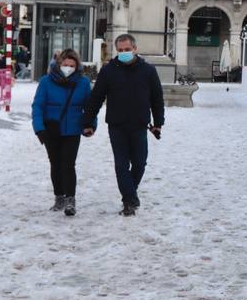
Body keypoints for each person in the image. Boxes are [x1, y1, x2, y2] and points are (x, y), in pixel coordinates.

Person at [83, 34, 164, 216]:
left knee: (140, 164)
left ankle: (129, 194)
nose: (124, 53)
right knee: (121, 165)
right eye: (120, 50)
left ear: (135, 49)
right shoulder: (108, 71)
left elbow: (157, 99)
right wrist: (88, 122)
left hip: (139, 125)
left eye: (127, 50)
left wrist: (158, 123)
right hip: (117, 125)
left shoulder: (148, 71)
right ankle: (130, 201)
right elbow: (96, 98)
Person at [31, 49, 94, 217]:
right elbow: (37, 106)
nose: (68, 68)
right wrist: (39, 128)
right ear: (59, 64)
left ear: (77, 66)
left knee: (68, 164)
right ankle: (59, 196)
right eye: (65, 65)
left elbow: (89, 107)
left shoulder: (83, 83)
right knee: (55, 163)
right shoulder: (46, 82)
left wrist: (90, 125)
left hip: (73, 129)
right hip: (51, 129)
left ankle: (70, 199)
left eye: (72, 65)